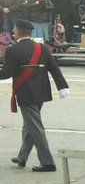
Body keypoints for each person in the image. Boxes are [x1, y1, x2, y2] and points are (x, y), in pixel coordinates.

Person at [1, 20, 69, 171]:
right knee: (29, 125)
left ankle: (47, 162)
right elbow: (53, 67)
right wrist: (62, 86)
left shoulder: (13, 50)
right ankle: (22, 157)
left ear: (17, 31)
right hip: (42, 91)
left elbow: (6, 73)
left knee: (35, 127)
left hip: (25, 92)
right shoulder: (41, 48)